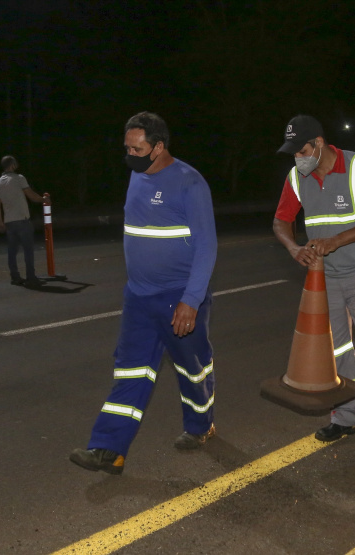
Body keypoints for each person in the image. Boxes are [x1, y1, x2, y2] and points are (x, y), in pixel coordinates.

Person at [70, 112, 218, 475]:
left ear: (158, 147)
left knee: (192, 368)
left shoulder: (189, 182)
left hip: (177, 297)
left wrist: (191, 300)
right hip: (138, 297)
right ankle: (109, 449)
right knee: (131, 371)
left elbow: (207, 246)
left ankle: (200, 425)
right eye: (127, 148)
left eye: (137, 149)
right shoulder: (137, 176)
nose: (130, 155)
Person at [273, 114, 355, 464]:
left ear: (318, 143)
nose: (298, 158)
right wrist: (293, 248)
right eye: (293, 153)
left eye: (301, 151)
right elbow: (281, 220)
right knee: (337, 352)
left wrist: (336, 241)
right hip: (324, 277)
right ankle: (345, 418)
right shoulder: (297, 177)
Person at [0, 155, 48, 286]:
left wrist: (0, 222)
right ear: (12, 165)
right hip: (22, 220)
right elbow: (31, 195)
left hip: (9, 222)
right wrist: (44, 200)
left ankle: (15, 277)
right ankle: (31, 278)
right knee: (28, 250)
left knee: (12, 251)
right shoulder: (19, 178)